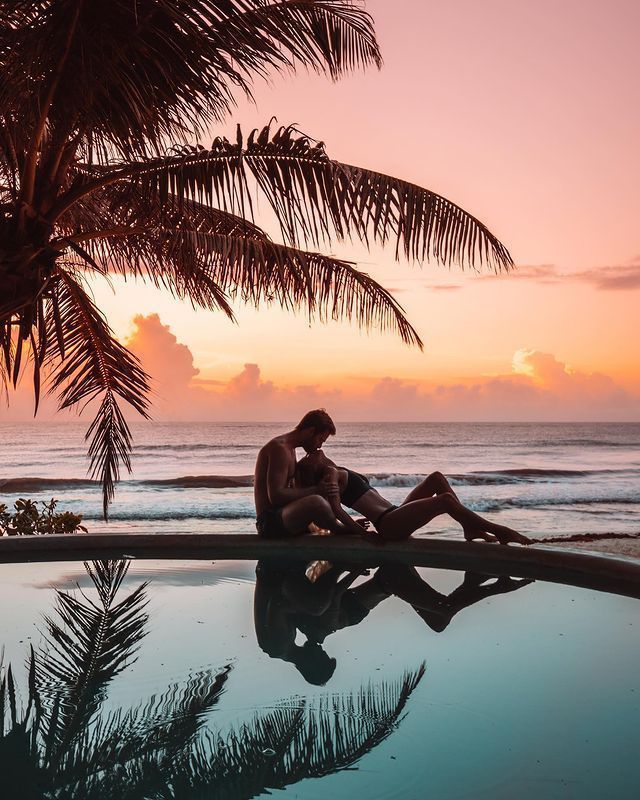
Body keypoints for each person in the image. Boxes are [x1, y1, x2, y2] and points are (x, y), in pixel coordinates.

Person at [296, 449, 531, 545]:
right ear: (313, 468)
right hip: (388, 524)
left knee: (436, 479)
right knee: (446, 501)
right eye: (309, 457)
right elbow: (336, 509)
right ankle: (500, 531)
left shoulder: (332, 467)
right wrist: (363, 535)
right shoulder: (329, 477)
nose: (315, 452)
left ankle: (469, 528)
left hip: (395, 512)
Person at [253, 409, 369, 539]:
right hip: (269, 523)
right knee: (316, 501)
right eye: (320, 439)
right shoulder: (279, 449)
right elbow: (276, 496)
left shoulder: (290, 450)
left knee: (330, 482)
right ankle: (339, 528)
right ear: (311, 431)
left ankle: (341, 523)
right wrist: (317, 490)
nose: (319, 445)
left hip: (284, 516)